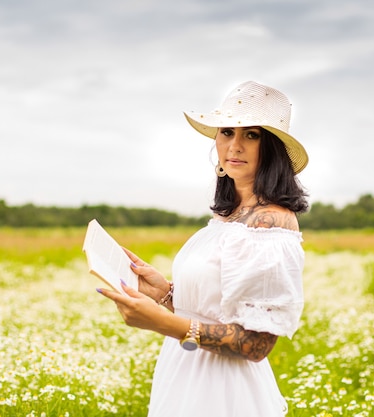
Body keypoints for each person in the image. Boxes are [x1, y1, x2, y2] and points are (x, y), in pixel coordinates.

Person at [97, 80, 309, 416]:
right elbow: (212, 309)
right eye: (227, 132)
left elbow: (256, 344)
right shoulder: (226, 218)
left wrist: (164, 324)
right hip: (182, 374)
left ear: (272, 150)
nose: (235, 146)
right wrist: (164, 294)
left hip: (225, 391)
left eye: (251, 135)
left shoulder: (271, 224)